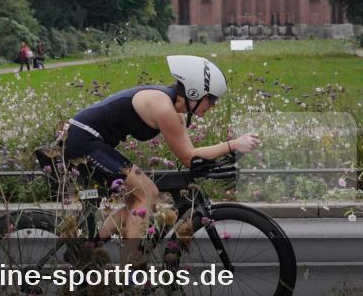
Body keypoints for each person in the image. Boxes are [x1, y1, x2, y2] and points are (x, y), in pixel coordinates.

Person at [51, 55, 260, 263]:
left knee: (137, 204)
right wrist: (233, 144)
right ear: (194, 92)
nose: (213, 105)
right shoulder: (164, 108)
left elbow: (191, 153)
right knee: (147, 193)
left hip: (88, 139)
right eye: (212, 99)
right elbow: (189, 158)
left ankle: (87, 249)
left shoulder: (174, 110)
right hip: (81, 139)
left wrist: (222, 155)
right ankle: (130, 270)